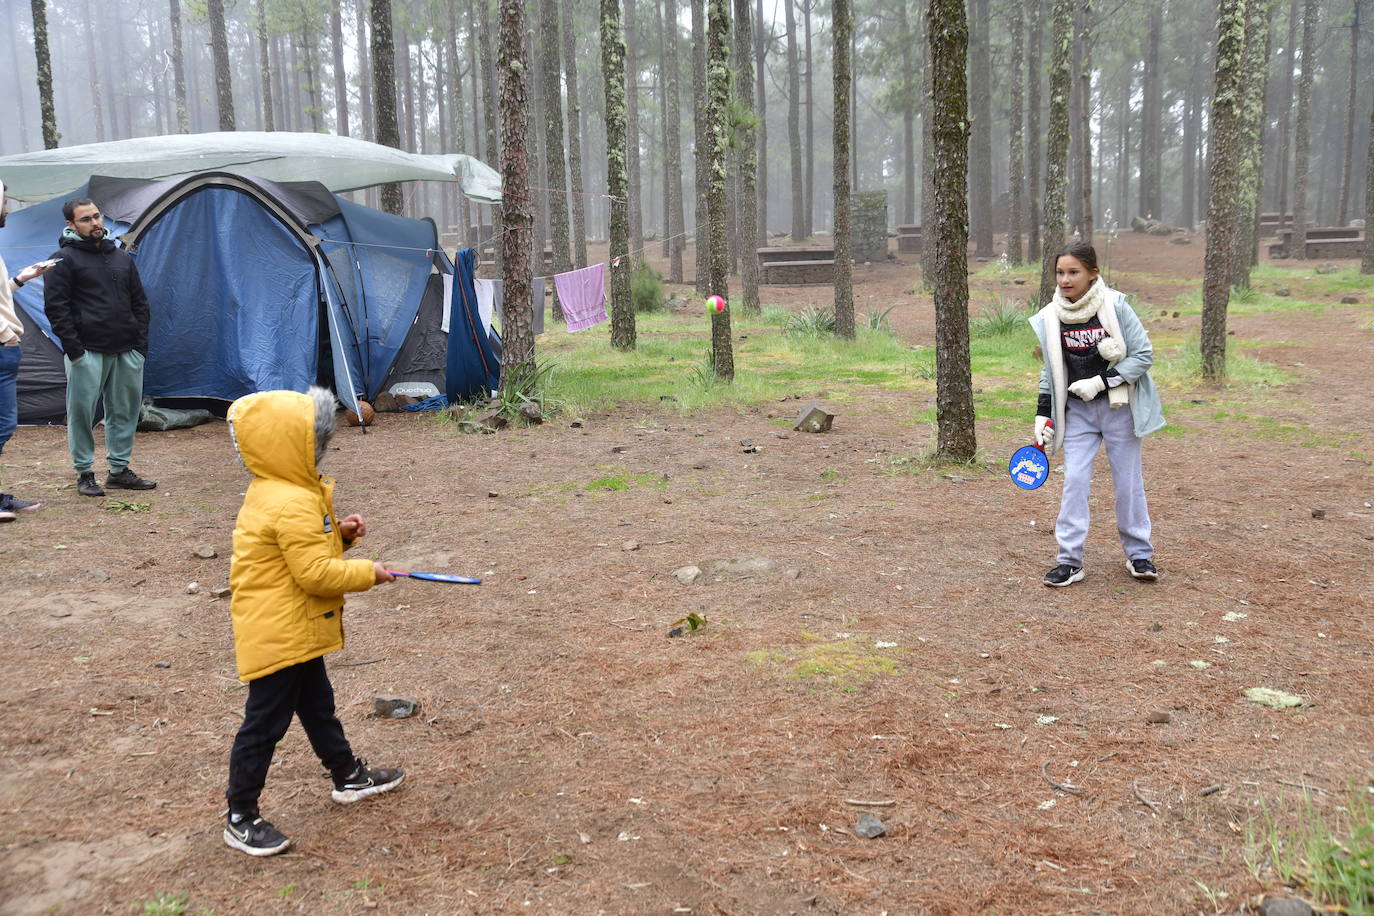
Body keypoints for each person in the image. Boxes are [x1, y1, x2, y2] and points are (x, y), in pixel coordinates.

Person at [222, 386, 403, 857]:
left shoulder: (281, 490)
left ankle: (347, 775)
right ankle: (240, 815)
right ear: (290, 444)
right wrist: (368, 573)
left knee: (318, 706)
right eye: (315, 440)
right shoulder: (292, 500)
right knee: (264, 725)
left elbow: (297, 552)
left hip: (292, 625)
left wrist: (340, 536)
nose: (323, 447)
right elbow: (315, 575)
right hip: (279, 630)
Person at [1029, 241, 1165, 587]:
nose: (1065, 279)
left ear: (1092, 274)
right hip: (1078, 413)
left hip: (1119, 409)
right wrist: (1043, 413)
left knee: (1128, 482)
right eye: (1060, 272)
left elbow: (1143, 355)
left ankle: (1139, 554)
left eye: (1073, 272)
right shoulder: (1050, 316)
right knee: (1074, 481)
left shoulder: (1115, 305)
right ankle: (1069, 560)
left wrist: (1101, 382)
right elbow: (1050, 369)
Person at [41, 197, 156, 497]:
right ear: (71, 224)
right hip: (87, 352)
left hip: (127, 350)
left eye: (96, 216)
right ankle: (84, 473)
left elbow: (140, 303)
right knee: (81, 414)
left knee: (125, 413)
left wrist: (140, 347)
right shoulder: (62, 260)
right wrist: (74, 351)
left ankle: (119, 471)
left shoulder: (120, 257)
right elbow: (56, 308)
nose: (95, 223)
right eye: (86, 219)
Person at [0, 181, 59, 521]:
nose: (7, 208)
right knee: (3, 424)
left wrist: (20, 279)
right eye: (3, 202)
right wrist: (6, 333)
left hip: (5, 349)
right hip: (1, 347)